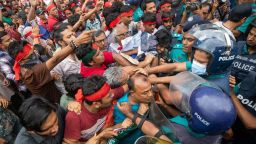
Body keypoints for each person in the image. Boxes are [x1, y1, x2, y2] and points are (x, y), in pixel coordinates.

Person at [7, 24, 93, 103]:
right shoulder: (31, 74)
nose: (35, 54)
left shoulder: (28, 63)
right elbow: (56, 59)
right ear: (21, 61)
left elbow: (35, 46)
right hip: (54, 102)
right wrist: (76, 42)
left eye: (34, 52)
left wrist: (36, 35)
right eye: (31, 55)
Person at [63, 75, 123, 143]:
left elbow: (128, 86)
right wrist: (101, 136)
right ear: (96, 104)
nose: (113, 95)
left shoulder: (106, 95)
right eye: (109, 96)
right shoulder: (74, 117)